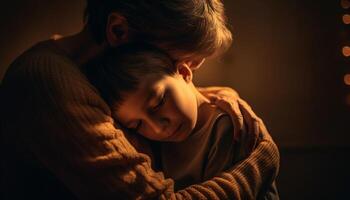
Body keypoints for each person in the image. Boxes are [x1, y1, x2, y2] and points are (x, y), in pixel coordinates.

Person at [1, 0, 279, 199]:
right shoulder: (48, 85)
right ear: (119, 31)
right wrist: (261, 159)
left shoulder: (83, 74)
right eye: (177, 59)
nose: (190, 72)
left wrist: (212, 98)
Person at [84, 43, 279, 199]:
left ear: (184, 73)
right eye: (137, 124)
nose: (158, 128)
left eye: (158, 103)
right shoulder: (157, 143)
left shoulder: (228, 128)